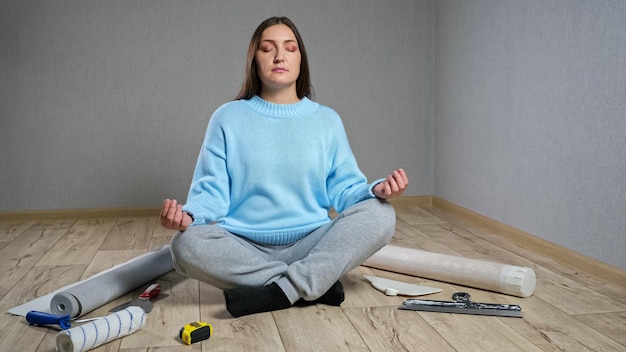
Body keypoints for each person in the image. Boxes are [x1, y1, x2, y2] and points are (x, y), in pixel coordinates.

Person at [161, 16, 409, 317]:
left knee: (380, 213)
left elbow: (345, 190)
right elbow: (211, 192)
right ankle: (313, 283)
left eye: (290, 48)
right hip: (243, 247)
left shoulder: (327, 121)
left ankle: (279, 290)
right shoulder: (227, 118)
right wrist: (189, 215)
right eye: (268, 49)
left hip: (311, 242)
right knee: (185, 246)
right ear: (254, 60)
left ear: (300, 59)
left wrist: (375, 190)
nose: (279, 56)